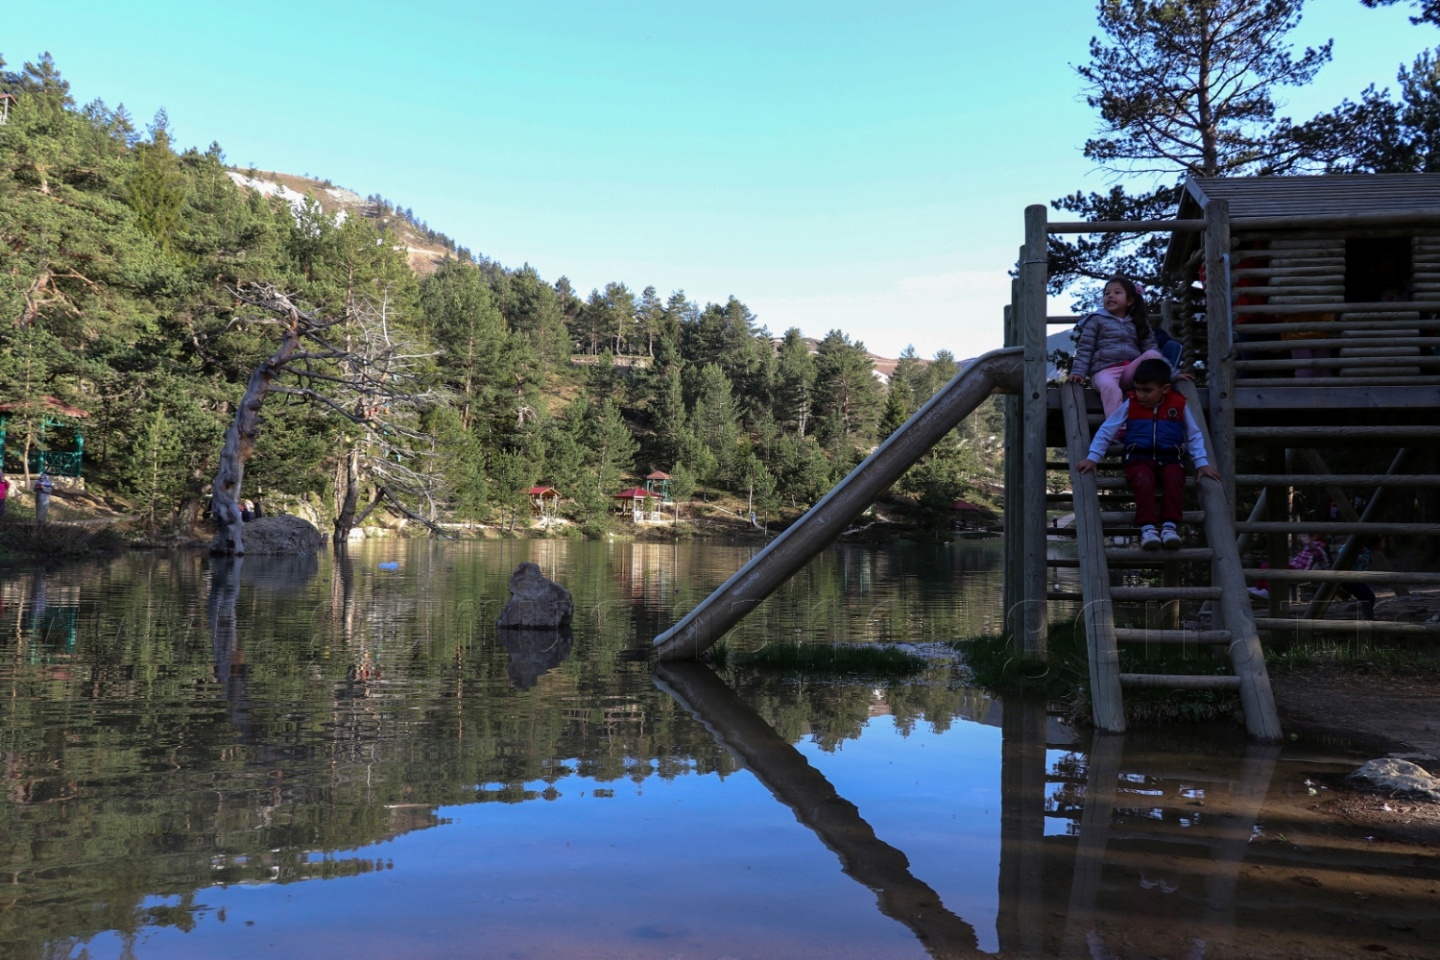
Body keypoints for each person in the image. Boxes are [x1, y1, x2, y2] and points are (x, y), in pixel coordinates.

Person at [1076, 357, 1220, 550]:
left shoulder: (1178, 405)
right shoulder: (1131, 404)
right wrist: (1093, 457)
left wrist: (1201, 463)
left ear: (1165, 389)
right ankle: (1148, 528)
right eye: (1137, 389)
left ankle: (1169, 527)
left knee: (1174, 478)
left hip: (1170, 457)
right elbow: (1107, 429)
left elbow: (1194, 435)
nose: (1141, 395)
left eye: (1147, 390)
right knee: (1143, 480)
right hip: (1138, 458)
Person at [1068, 275, 1173, 417]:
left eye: (1117, 292)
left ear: (1129, 300)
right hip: (1104, 372)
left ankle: (1158, 413)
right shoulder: (1096, 319)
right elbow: (1085, 349)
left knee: (1153, 355)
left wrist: (1174, 374)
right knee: (1111, 388)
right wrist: (1078, 372)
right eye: (1107, 293)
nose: (1110, 296)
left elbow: (1152, 348)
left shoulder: (1138, 321)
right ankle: (1117, 430)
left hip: (1130, 372)